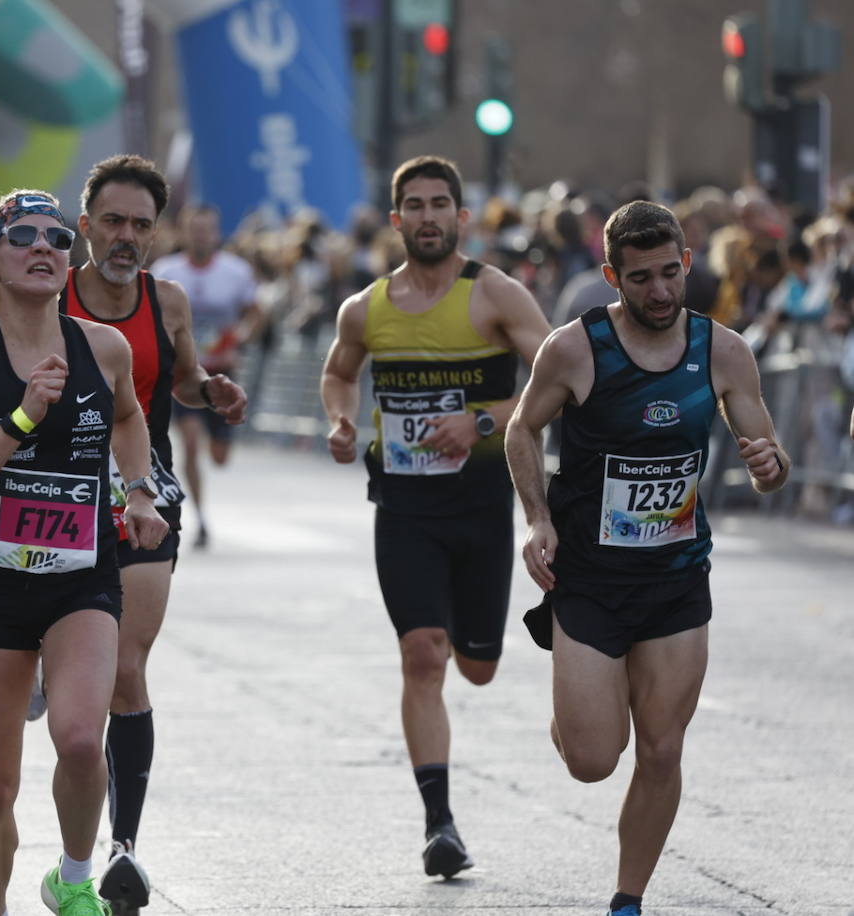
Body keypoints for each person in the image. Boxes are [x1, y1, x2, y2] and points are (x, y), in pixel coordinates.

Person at [504, 201, 789, 916]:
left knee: (661, 751)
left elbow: (770, 461)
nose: (661, 291)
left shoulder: (723, 350)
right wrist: (537, 518)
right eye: (642, 278)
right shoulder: (574, 349)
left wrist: (768, 462)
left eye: (671, 272)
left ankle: (628, 900)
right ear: (612, 277)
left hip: (676, 578)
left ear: (688, 263)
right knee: (594, 761)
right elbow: (521, 429)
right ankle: (576, 719)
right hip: (592, 582)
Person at [0, 189, 169, 916]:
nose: (42, 247)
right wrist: (22, 419)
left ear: (70, 258)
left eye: (57, 237)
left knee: (83, 741)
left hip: (80, 578)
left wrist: (139, 491)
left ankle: (73, 877)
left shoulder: (104, 348)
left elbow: (128, 420)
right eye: (21, 235)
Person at [320, 155, 551, 878]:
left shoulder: (496, 296)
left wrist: (481, 420)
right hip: (405, 508)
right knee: (423, 655)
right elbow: (338, 370)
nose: (426, 217)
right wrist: (339, 419)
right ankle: (439, 824)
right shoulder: (366, 309)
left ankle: (470, 642)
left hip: (482, 510)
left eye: (438, 204)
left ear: (460, 217)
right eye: (412, 205)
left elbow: (561, 382)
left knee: (476, 669)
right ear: (396, 221)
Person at [58, 154, 247, 914]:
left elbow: (180, 377)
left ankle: (122, 849)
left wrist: (212, 390)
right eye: (113, 221)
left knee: (125, 667)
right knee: (75, 670)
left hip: (143, 494)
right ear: (85, 227)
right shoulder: (50, 293)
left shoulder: (166, 301)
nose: (126, 236)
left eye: (141, 224)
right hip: (53, 498)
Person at [150, 204, 260, 548]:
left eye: (207, 229)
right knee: (191, 443)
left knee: (219, 456)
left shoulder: (236, 271)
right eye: (194, 229)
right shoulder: (166, 270)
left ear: (216, 233)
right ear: (184, 232)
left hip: (222, 372)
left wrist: (239, 340)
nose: (201, 236)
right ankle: (199, 517)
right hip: (184, 373)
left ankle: (220, 447)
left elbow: (256, 311)